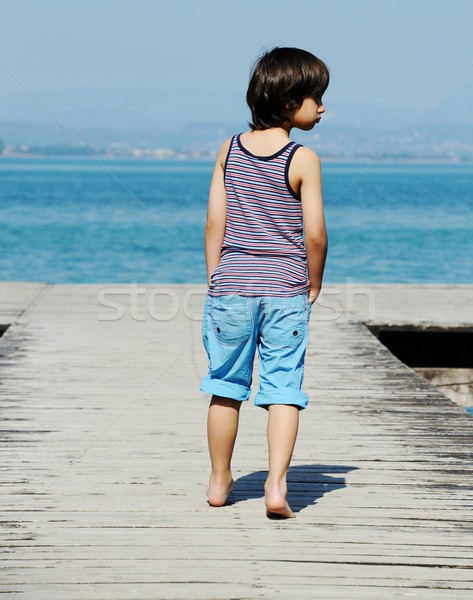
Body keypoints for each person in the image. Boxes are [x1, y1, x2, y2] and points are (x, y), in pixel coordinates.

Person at [199, 47, 329, 519]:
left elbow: (215, 225)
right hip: (285, 289)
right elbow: (314, 233)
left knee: (224, 385)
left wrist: (217, 277)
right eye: (317, 97)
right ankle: (276, 487)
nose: (323, 108)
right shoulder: (303, 158)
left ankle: (218, 482)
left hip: (230, 285)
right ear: (292, 101)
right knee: (283, 388)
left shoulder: (228, 149)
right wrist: (313, 282)